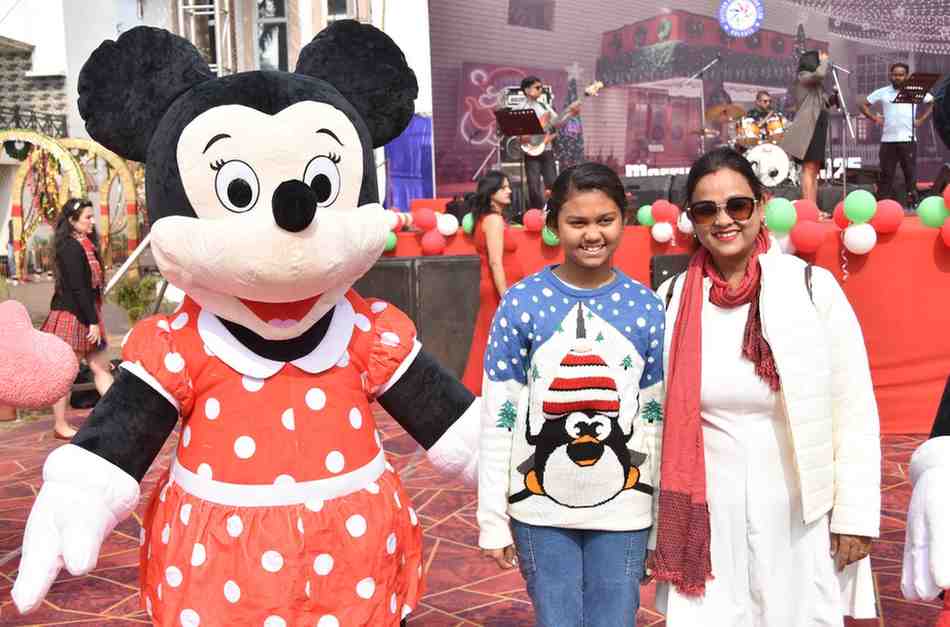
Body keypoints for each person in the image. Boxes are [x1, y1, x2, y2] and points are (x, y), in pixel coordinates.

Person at [652, 147, 880, 625]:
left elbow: (853, 407)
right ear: (692, 219)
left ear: (761, 205)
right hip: (706, 515)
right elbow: (652, 420)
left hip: (799, 513)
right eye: (706, 210)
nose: (724, 220)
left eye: (737, 205)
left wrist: (855, 515)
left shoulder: (811, 287)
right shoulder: (672, 299)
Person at [477, 162, 664, 626]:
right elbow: (499, 415)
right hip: (539, 513)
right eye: (577, 222)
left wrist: (661, 520)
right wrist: (492, 517)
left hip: (626, 512)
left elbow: (656, 420)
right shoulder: (520, 304)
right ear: (554, 224)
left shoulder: (648, 308)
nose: (592, 234)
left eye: (605, 220)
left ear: (624, 219)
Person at [39, 198, 114, 439]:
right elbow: (78, 288)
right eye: (87, 217)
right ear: (72, 221)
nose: (92, 221)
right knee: (66, 373)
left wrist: (94, 318)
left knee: (101, 367)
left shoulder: (86, 244)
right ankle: (60, 424)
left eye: (92, 216)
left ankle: (119, 416)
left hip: (88, 313)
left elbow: (90, 289)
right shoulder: (70, 247)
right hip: (73, 316)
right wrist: (92, 321)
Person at [461, 171, 525, 394]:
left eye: (508, 187)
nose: (509, 191)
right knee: (496, 340)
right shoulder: (494, 220)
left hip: (497, 287)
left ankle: (487, 389)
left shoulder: (486, 219)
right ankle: (486, 389)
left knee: (489, 339)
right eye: (503, 188)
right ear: (491, 193)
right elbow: (496, 262)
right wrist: (505, 295)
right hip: (499, 289)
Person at [860, 62, 934, 206]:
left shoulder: (914, 91)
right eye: (895, 75)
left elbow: (932, 101)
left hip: (908, 139)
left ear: (906, 76)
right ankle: (883, 205)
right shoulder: (883, 92)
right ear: (890, 76)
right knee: (886, 175)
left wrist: (921, 119)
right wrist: (875, 118)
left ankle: (913, 204)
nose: (897, 77)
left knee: (910, 174)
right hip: (888, 140)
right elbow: (863, 104)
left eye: (901, 75)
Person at [518, 75, 580, 210]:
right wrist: (529, 135)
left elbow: (557, 123)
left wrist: (570, 114)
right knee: (533, 187)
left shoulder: (544, 105)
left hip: (547, 148)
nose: (540, 90)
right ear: (527, 90)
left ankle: (553, 211)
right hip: (531, 150)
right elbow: (520, 132)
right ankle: (536, 213)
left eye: (541, 87)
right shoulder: (520, 107)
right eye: (537, 87)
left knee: (552, 184)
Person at [782, 50, 832, 204]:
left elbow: (824, 103)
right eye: (818, 60)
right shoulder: (803, 76)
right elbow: (820, 74)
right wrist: (824, 61)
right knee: (809, 169)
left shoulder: (816, 85)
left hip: (818, 127)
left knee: (814, 170)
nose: (821, 62)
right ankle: (809, 208)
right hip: (809, 130)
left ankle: (813, 207)